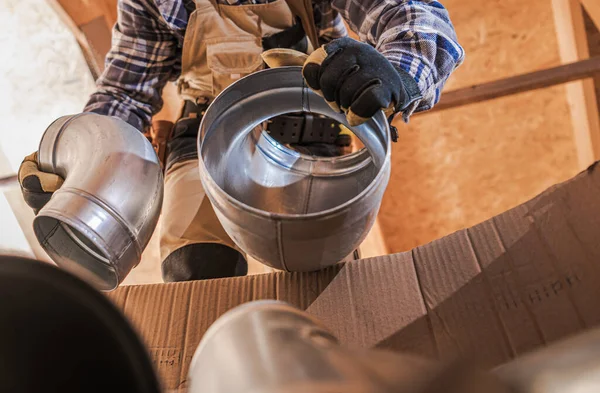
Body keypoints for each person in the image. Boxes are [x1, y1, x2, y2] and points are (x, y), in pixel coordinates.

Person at [19, 0, 465, 283]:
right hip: (203, 142)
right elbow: (125, 91)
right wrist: (79, 158)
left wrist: (400, 71)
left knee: (321, 285)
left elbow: (413, 17)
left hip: (306, 139)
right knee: (197, 276)